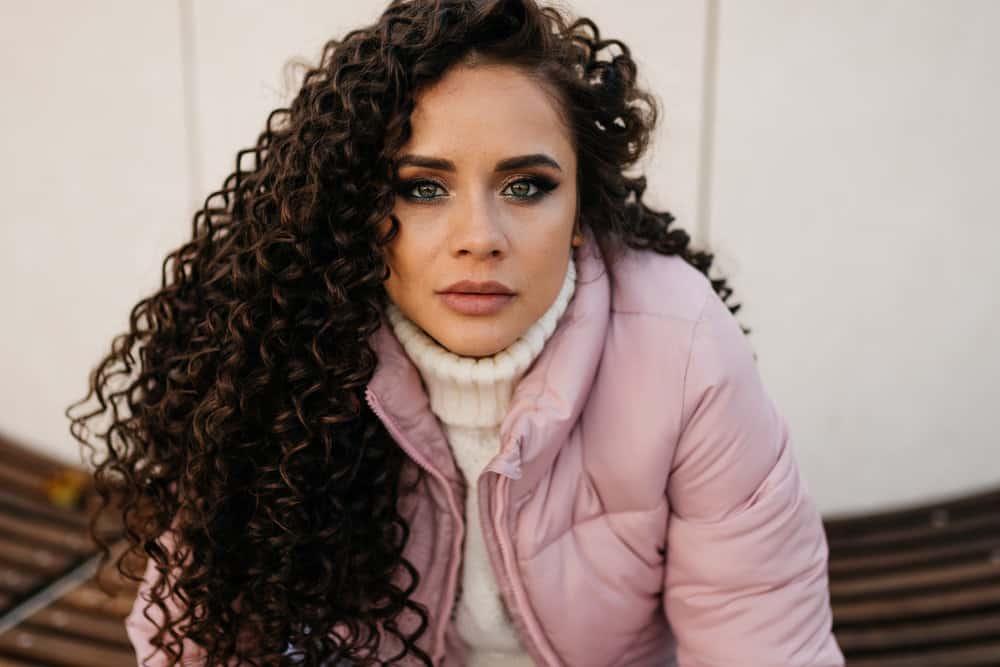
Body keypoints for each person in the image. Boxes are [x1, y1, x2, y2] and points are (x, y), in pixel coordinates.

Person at [66, 0, 846, 665]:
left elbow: (765, 635)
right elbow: (204, 641)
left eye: (527, 185)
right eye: (424, 187)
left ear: (582, 212)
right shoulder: (286, 346)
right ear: (360, 207)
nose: (479, 235)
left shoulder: (682, 349)